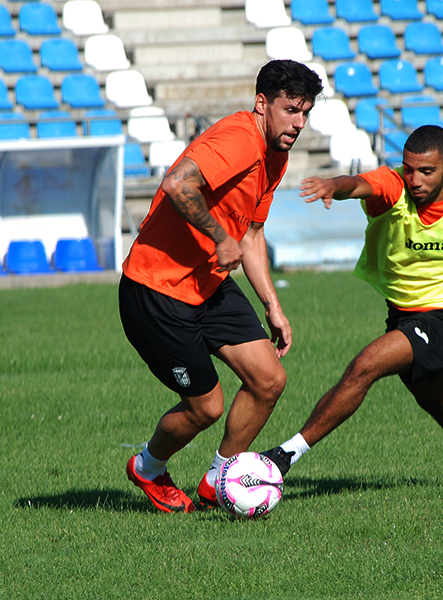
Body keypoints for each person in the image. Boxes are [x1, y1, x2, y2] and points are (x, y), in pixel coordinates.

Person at [120, 59, 324, 513]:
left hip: (207, 285)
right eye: (291, 109)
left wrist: (272, 304)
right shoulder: (238, 139)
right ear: (261, 103)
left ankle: (220, 479)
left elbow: (251, 234)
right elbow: (176, 184)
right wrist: (218, 237)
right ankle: (148, 467)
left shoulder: (277, 155)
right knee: (205, 407)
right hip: (156, 289)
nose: (299, 122)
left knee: (269, 379)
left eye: (305, 112)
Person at [260, 125, 443, 486]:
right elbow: (361, 184)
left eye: (427, 171)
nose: (415, 179)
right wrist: (335, 186)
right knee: (435, 395)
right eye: (409, 168)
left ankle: (285, 455)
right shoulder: (394, 187)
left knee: (365, 366)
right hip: (403, 314)